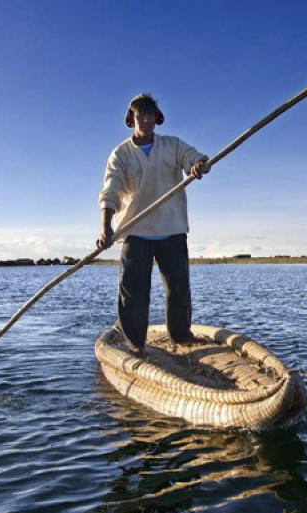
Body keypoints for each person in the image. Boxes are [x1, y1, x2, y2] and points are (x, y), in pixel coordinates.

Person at [97, 93, 210, 355]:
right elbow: (110, 190)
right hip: (136, 232)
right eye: (140, 115)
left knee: (178, 288)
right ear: (131, 119)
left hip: (172, 229)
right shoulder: (121, 154)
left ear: (157, 119)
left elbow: (196, 159)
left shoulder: (172, 145)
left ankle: (181, 336)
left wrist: (199, 166)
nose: (145, 120)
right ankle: (136, 343)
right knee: (134, 292)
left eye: (150, 115)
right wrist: (106, 227)